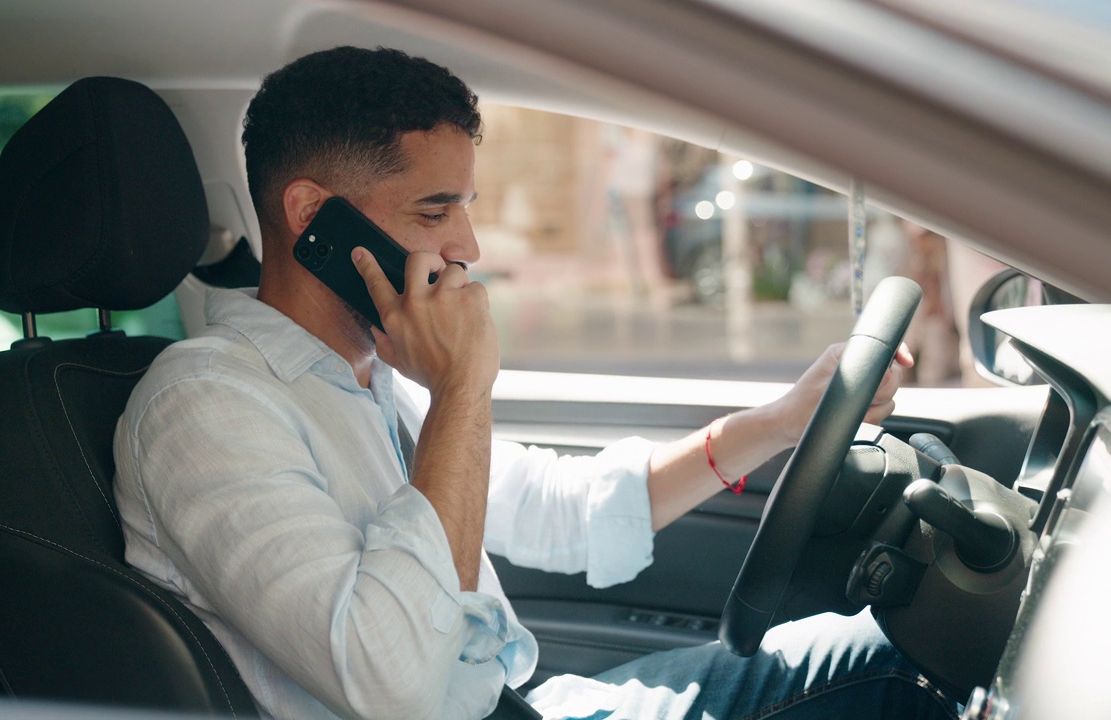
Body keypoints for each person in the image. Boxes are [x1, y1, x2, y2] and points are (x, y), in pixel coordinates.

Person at [113, 46, 957, 720]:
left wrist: (780, 421)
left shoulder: (375, 376)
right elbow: (391, 684)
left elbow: (565, 509)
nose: (470, 247)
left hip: (526, 703)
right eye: (435, 212)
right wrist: (461, 393)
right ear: (311, 217)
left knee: (883, 658)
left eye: (467, 208)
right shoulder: (207, 406)